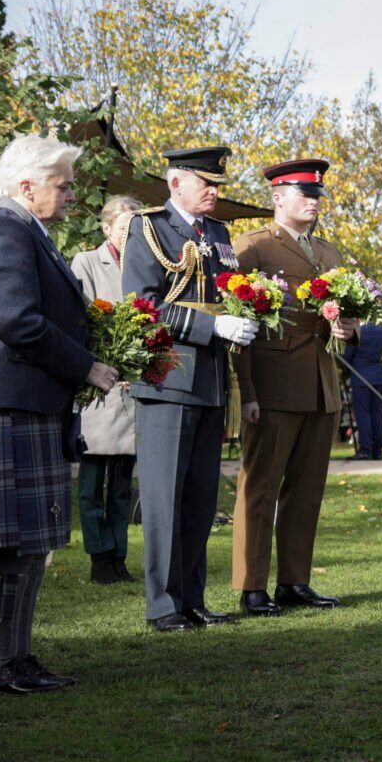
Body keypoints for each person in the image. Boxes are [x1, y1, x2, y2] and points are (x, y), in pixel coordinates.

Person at [0, 135, 119, 692]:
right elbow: (17, 323)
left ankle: (15, 657)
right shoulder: (5, 230)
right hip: (10, 404)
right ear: (26, 187)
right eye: (63, 184)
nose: (72, 194)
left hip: (28, 403)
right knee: (12, 544)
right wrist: (87, 367)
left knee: (30, 542)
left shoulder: (31, 233)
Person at [124, 146, 262, 633]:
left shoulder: (218, 233)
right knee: (164, 499)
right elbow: (141, 304)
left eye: (218, 184)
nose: (214, 190)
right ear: (175, 182)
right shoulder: (148, 227)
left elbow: (228, 292)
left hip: (210, 382)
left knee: (201, 499)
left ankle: (193, 599)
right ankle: (163, 604)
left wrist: (248, 316)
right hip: (168, 378)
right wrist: (213, 328)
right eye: (205, 182)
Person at [230, 159, 354, 616]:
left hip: (322, 386)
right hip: (274, 385)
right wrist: (248, 393)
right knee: (260, 489)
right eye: (304, 194)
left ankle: (295, 582)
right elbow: (238, 325)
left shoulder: (329, 253)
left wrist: (350, 328)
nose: (313, 202)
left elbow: (349, 308)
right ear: (278, 198)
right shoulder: (253, 247)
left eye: (317, 195)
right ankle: (251, 586)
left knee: (307, 491)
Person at [71, 195, 145, 584]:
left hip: (135, 385)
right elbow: (81, 317)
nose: (129, 234)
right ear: (106, 227)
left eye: (135, 227)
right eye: (123, 227)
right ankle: (98, 555)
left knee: (121, 482)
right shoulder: (85, 262)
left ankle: (119, 554)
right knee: (91, 481)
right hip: (100, 383)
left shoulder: (143, 260)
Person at [348, 320, 382, 460]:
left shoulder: (358, 330)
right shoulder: (381, 331)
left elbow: (347, 355)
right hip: (377, 375)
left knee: (363, 414)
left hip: (361, 376)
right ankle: (378, 450)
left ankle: (365, 449)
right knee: (377, 415)